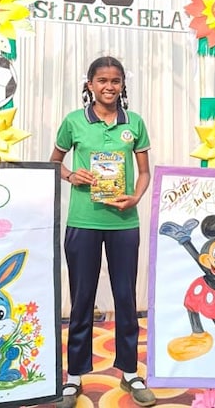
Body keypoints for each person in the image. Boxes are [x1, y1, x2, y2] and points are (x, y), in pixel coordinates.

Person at [49, 56, 155, 408]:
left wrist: (135, 198)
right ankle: (74, 377)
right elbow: (54, 162)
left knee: (126, 299)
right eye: (102, 80)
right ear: (89, 85)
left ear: (123, 85)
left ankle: (129, 372)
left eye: (116, 81)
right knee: (81, 300)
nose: (109, 86)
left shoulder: (134, 124)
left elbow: (143, 173)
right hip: (83, 222)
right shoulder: (74, 122)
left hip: (124, 223)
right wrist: (70, 175)